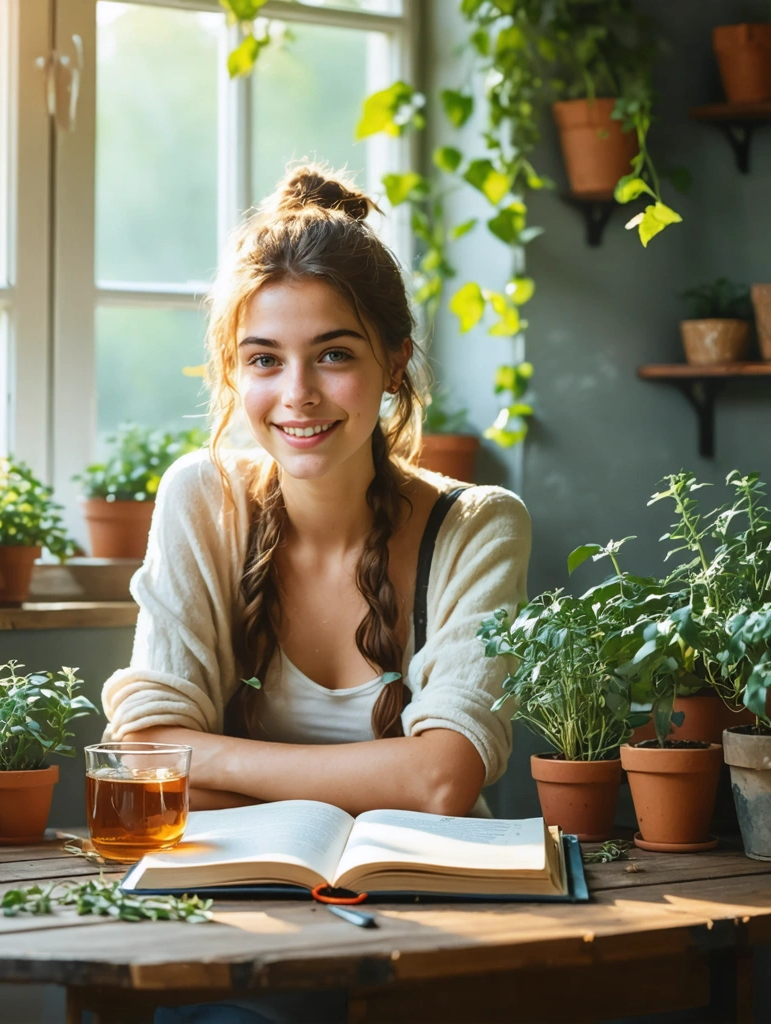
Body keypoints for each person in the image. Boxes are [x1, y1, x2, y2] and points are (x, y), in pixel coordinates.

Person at [100, 163, 531, 1022]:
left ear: (395, 359)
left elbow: (444, 782)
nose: (297, 395)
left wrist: (210, 756)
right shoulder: (203, 498)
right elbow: (144, 760)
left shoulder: (480, 524)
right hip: (241, 916)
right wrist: (384, 775)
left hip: (438, 922)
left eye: (333, 354)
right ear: (234, 372)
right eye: (265, 359)